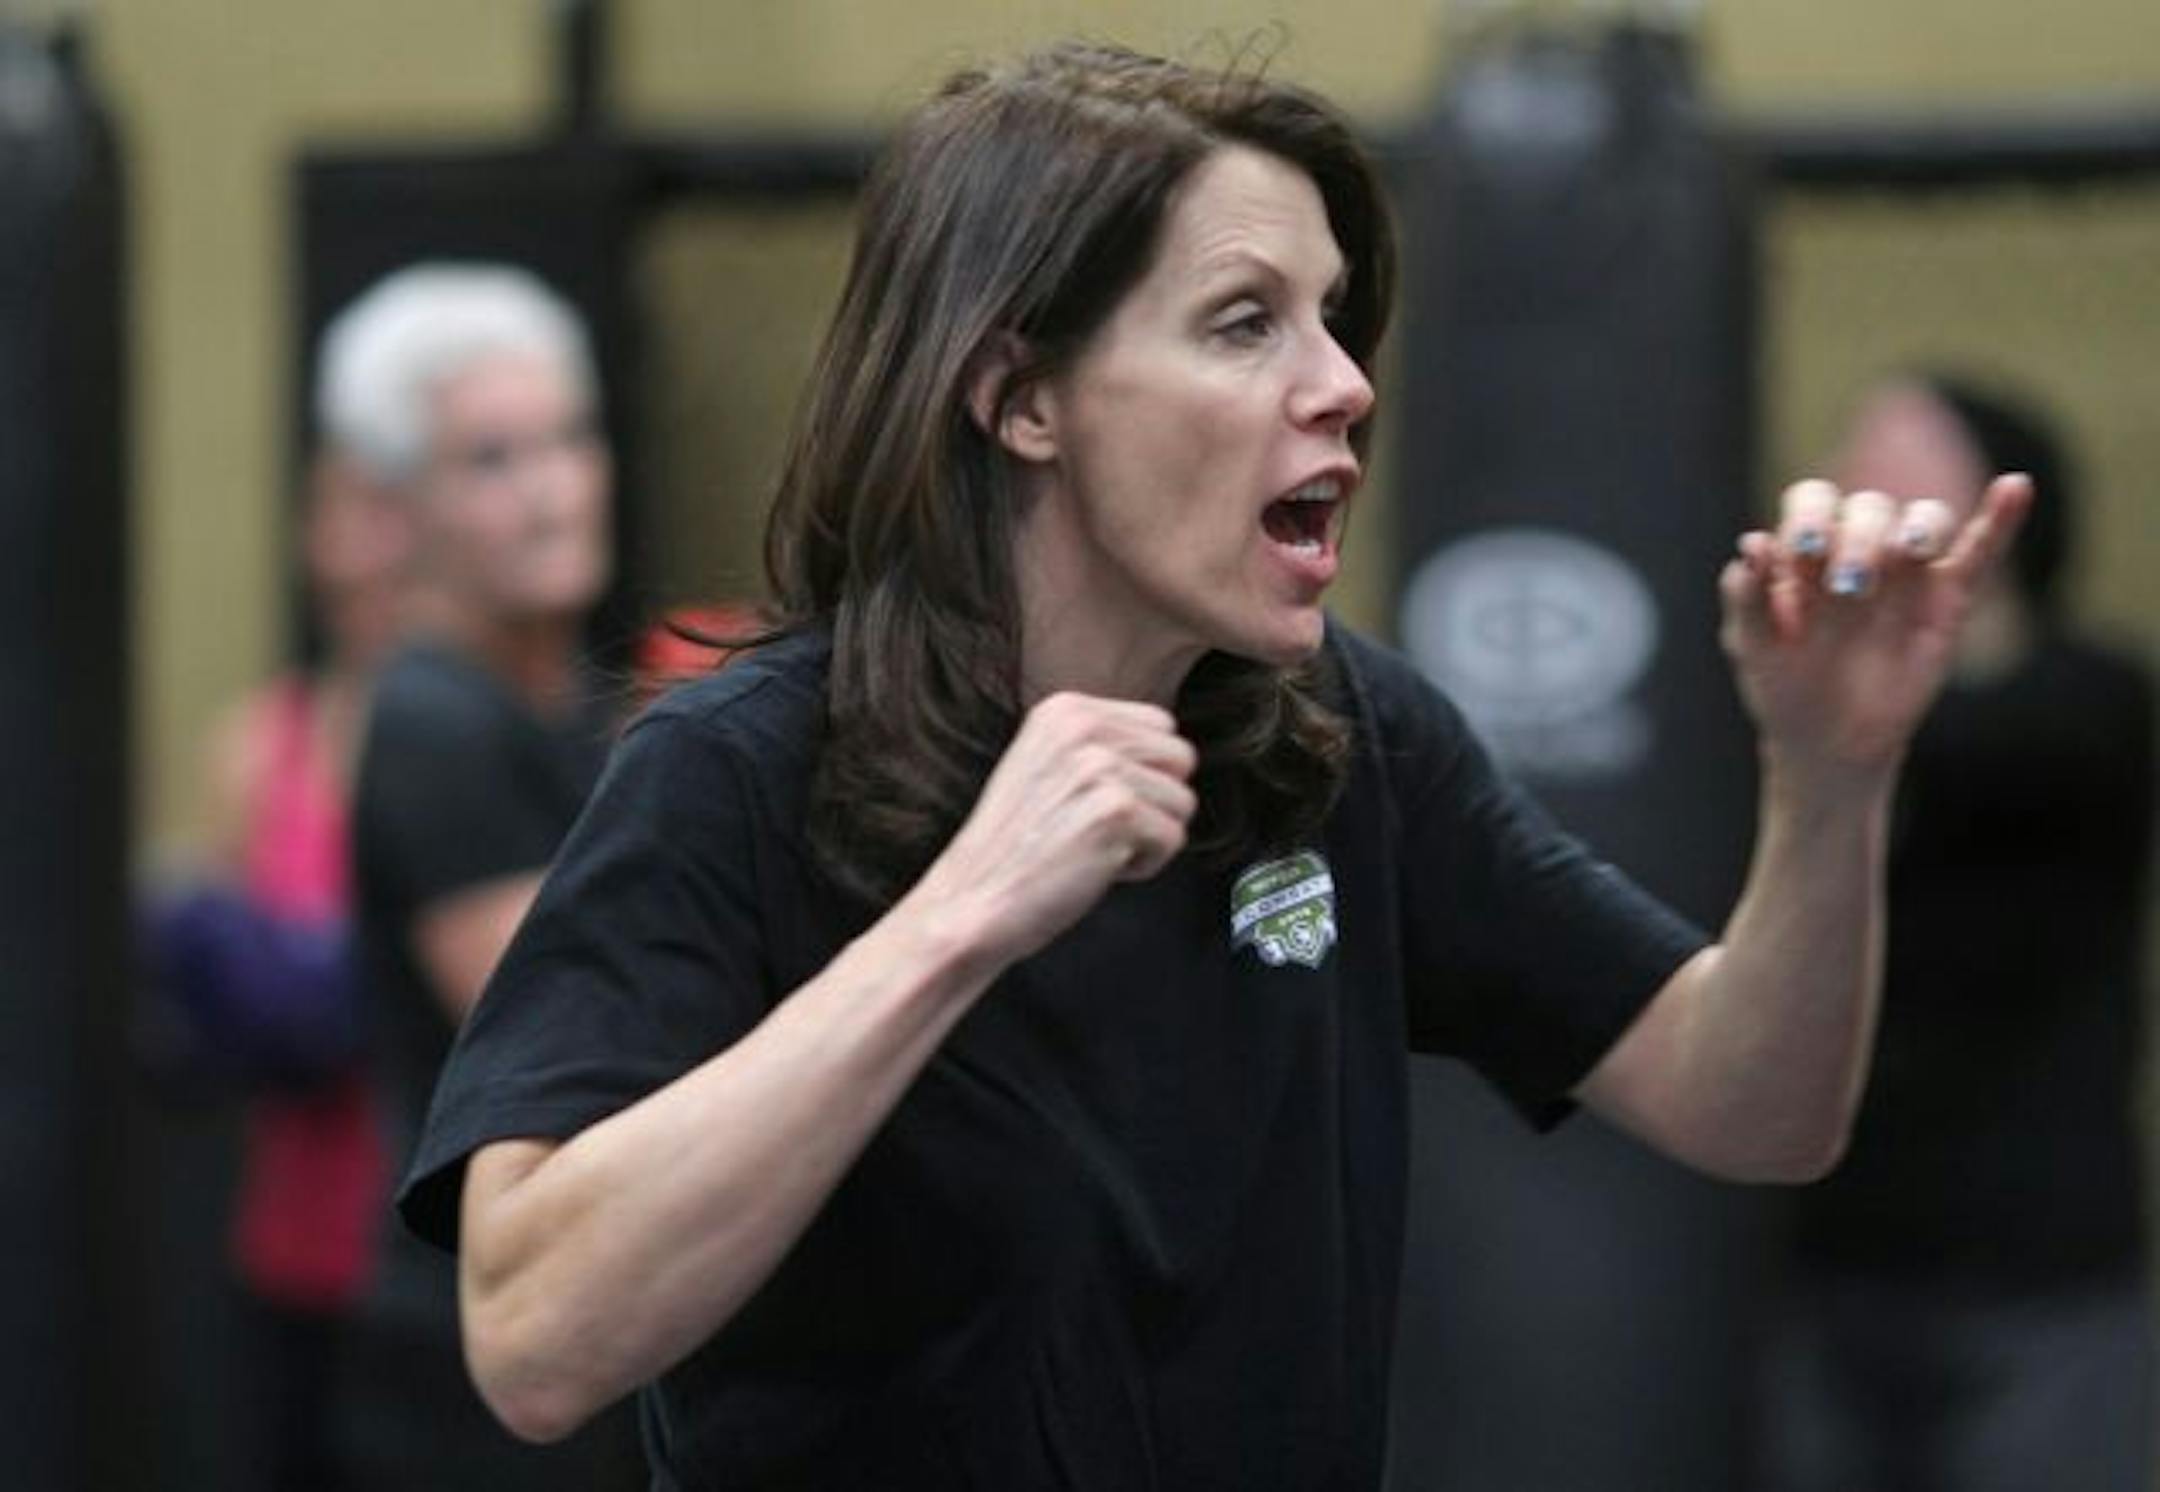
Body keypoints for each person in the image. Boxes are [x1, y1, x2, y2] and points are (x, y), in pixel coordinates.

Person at [395, 44, 2031, 1488]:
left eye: (1336, 319)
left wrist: (1830, 775)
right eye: (1247, 323)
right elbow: (535, 1339)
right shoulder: (736, 766)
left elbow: (1758, 1101)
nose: (1342, 384)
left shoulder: (1346, 742)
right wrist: (958, 917)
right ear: (1022, 393)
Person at [1759, 374, 2155, 1491]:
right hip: (1834, 1262)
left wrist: (1843, 696)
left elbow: (1974, 748)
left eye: (1901, 461)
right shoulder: (1802, 724)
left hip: (2035, 1274)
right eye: (1855, 456)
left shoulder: (2091, 702)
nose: (1858, 483)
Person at [322, 263, 644, 1489]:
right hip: (477, 1363)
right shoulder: (433, 725)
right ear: (402, 510)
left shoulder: (564, 704)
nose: (552, 490)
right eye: (493, 460)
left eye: (569, 440)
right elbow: (580, 1044)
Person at [142, 455, 405, 1491]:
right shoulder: (262, 748)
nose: (375, 547)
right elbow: (202, 1022)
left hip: (445, 1259)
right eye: (351, 512)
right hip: (299, 1252)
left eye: (393, 508)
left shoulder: (499, 742)